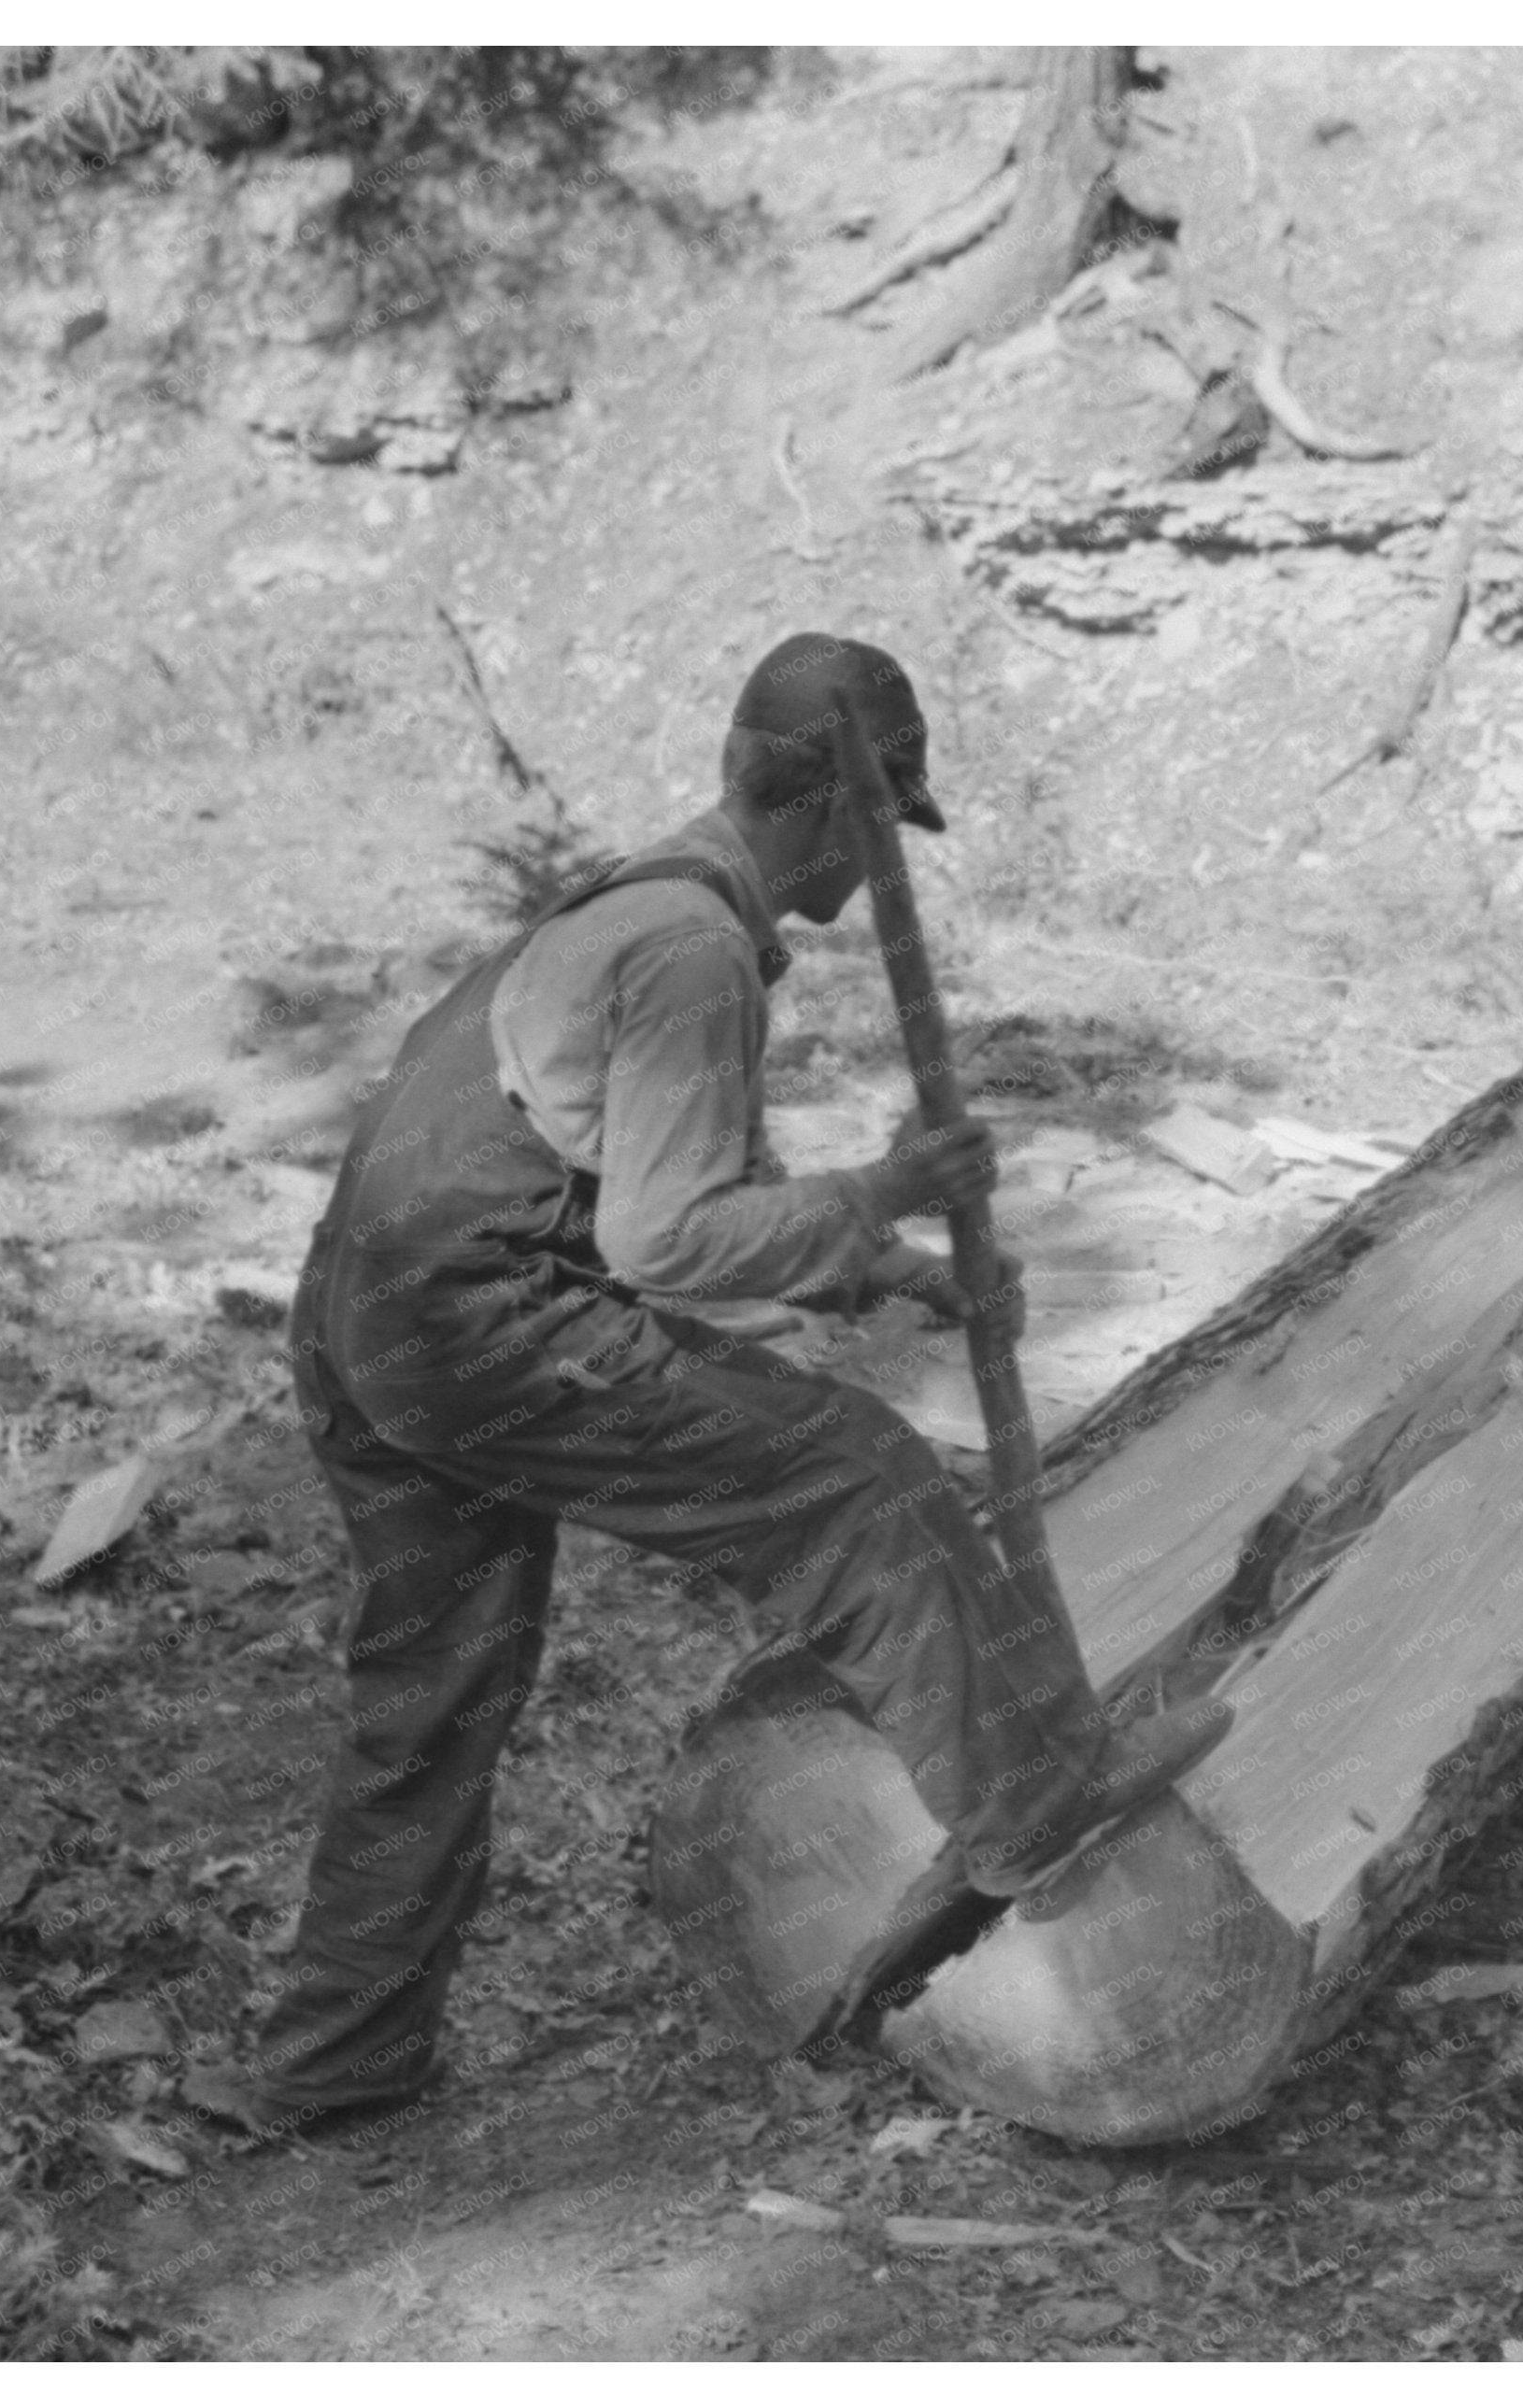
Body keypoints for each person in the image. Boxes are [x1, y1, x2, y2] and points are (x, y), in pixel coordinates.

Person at [221, 632, 1229, 2137]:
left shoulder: (651, 901)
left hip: (371, 1313)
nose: (879, 871)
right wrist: (885, 1188)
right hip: (483, 1322)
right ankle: (1033, 1806)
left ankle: (336, 2057)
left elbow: (690, 1185)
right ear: (833, 808)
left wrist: (892, 1268)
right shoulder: (693, 951)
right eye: (885, 828)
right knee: (862, 1480)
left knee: (432, 1695)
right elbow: (670, 1241)